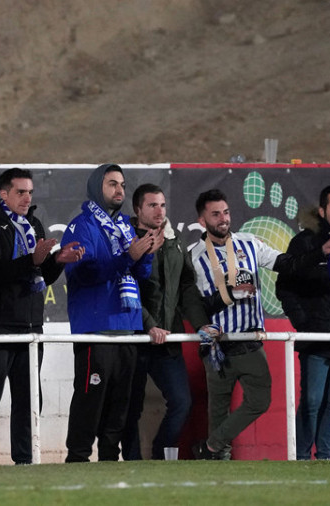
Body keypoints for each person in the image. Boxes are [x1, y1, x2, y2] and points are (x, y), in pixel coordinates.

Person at [189, 189, 330, 460]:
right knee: (217, 410)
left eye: (226, 212)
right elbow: (196, 306)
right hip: (217, 346)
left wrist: (318, 252)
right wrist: (229, 295)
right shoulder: (194, 257)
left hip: (249, 341)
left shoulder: (250, 243)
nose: (223, 219)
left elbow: (287, 264)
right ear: (201, 220)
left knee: (260, 401)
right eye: (215, 214)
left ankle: (209, 447)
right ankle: (218, 467)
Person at [0, 168, 83, 465]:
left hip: (31, 327)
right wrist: (30, 260)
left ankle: (25, 459)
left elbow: (40, 276)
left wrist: (57, 261)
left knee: (30, 399)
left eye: (30, 192)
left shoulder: (33, 223)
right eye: (20, 191)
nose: (26, 197)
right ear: (3, 193)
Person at [60, 163, 162, 462]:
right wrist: (127, 256)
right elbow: (84, 274)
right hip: (96, 328)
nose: (119, 190)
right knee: (90, 402)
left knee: (120, 404)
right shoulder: (81, 226)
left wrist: (144, 256)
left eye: (122, 185)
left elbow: (139, 275)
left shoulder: (125, 227)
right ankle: (77, 459)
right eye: (112, 184)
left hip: (128, 327)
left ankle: (108, 461)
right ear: (96, 188)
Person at [121, 184, 213, 461]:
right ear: (137, 210)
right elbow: (127, 286)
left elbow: (186, 288)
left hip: (167, 339)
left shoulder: (175, 241)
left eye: (162, 205)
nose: (159, 211)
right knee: (129, 409)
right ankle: (133, 463)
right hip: (134, 338)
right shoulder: (126, 240)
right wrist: (148, 324)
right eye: (152, 205)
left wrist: (200, 324)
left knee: (182, 402)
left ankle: (161, 455)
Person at [275, 185, 330, 460]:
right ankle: (301, 455)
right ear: (323, 210)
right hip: (315, 336)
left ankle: (325, 455)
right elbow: (284, 288)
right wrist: (303, 322)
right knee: (312, 401)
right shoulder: (305, 243)